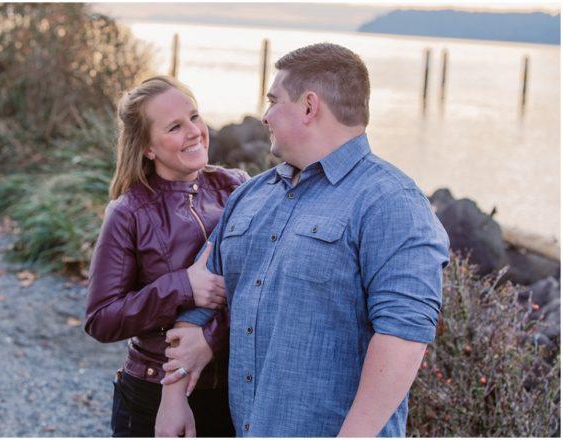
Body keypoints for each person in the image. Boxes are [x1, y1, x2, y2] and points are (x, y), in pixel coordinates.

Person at [162, 42, 450, 436]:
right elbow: (203, 298)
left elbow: (403, 336)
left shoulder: (391, 203)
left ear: (309, 107)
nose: (264, 117)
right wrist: (174, 398)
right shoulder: (252, 194)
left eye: (274, 101)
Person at [84, 75, 248, 437]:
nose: (194, 132)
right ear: (148, 148)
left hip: (233, 393)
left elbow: (256, 288)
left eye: (194, 117)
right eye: (175, 126)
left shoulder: (234, 187)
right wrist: (182, 287)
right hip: (152, 394)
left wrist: (211, 339)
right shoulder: (129, 212)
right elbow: (101, 318)